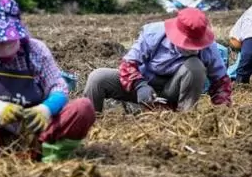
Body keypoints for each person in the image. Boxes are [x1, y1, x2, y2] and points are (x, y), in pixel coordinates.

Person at [0, 0, 96, 162]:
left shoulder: (37, 49)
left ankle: (50, 154)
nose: (4, 44)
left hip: (36, 132)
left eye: (9, 38)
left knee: (83, 107)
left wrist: (46, 109)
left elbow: (58, 87)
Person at [84, 7, 232, 112]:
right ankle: (90, 121)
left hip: (173, 90)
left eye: (196, 45)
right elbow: (128, 64)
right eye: (188, 45)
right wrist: (140, 85)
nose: (193, 49)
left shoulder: (209, 47)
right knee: (98, 77)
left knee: (195, 66)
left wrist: (223, 111)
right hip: (143, 87)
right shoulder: (153, 34)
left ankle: (186, 116)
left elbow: (220, 82)